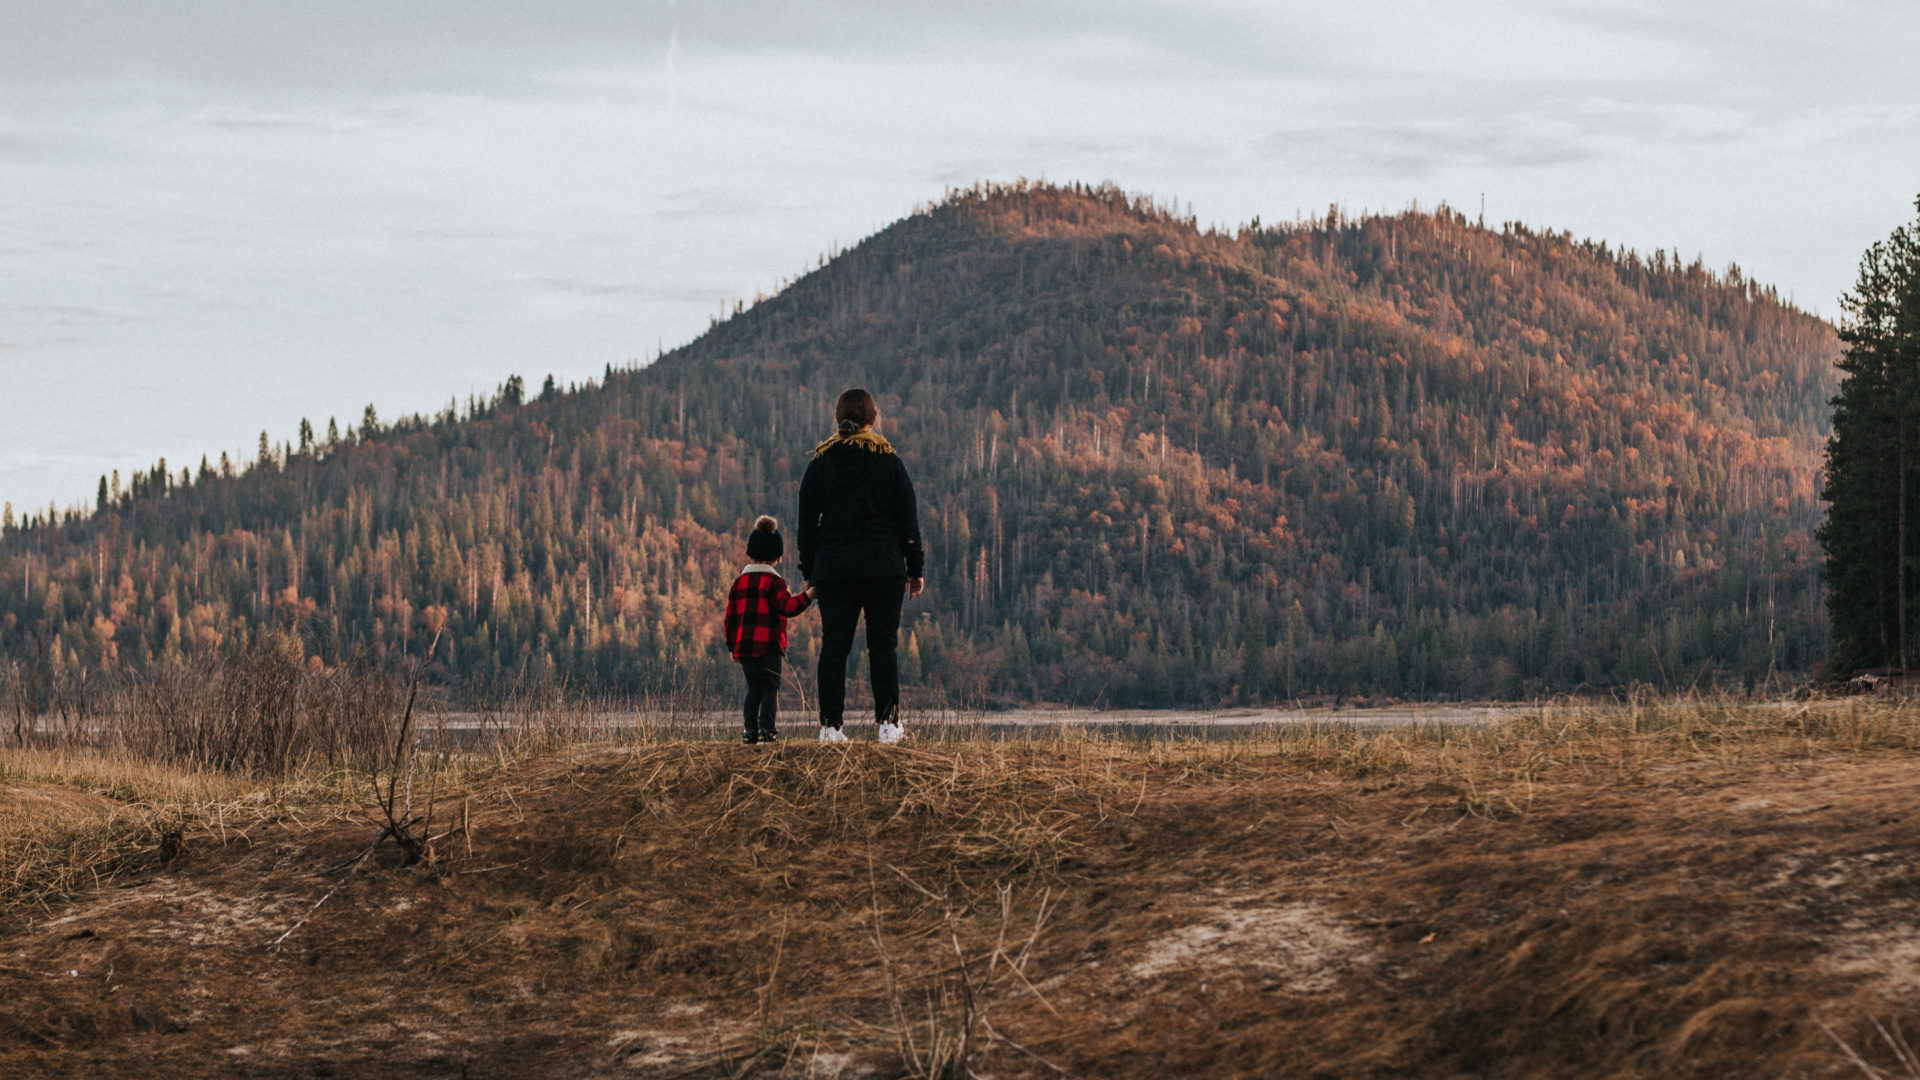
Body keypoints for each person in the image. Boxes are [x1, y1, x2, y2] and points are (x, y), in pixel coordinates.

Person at [798, 388, 925, 744]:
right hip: (884, 566)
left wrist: (811, 572)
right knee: (882, 645)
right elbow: (908, 522)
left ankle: (830, 727)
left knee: (834, 646)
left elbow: (806, 525)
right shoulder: (888, 459)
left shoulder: (820, 462)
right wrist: (915, 569)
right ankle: (888, 725)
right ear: (874, 418)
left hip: (835, 569)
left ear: (838, 419)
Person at [723, 515, 814, 745]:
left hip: (744, 648)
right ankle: (767, 730)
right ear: (778, 557)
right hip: (769, 647)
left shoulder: (739, 583)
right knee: (770, 688)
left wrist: (733, 647)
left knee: (753, 688)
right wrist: (809, 596)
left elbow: (729, 620)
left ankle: (749, 731)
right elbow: (788, 607)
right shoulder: (775, 583)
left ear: (750, 554)